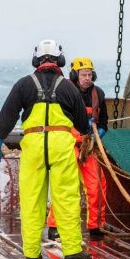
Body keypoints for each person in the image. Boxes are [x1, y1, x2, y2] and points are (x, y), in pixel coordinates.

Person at [0, 40, 93, 259]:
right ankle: (73, 252)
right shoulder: (68, 87)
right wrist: (88, 130)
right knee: (66, 200)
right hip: (61, 146)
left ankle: (32, 255)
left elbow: (7, 115)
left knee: (32, 200)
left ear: (36, 60)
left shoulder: (24, 85)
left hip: (34, 145)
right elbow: (84, 126)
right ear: (60, 60)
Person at [46, 56, 110, 241]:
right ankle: (54, 226)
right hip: (69, 146)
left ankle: (96, 226)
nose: (87, 78)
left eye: (89, 74)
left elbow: (104, 121)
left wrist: (100, 133)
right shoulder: (63, 92)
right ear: (75, 75)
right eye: (83, 74)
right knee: (65, 187)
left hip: (89, 147)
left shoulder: (99, 94)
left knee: (97, 185)